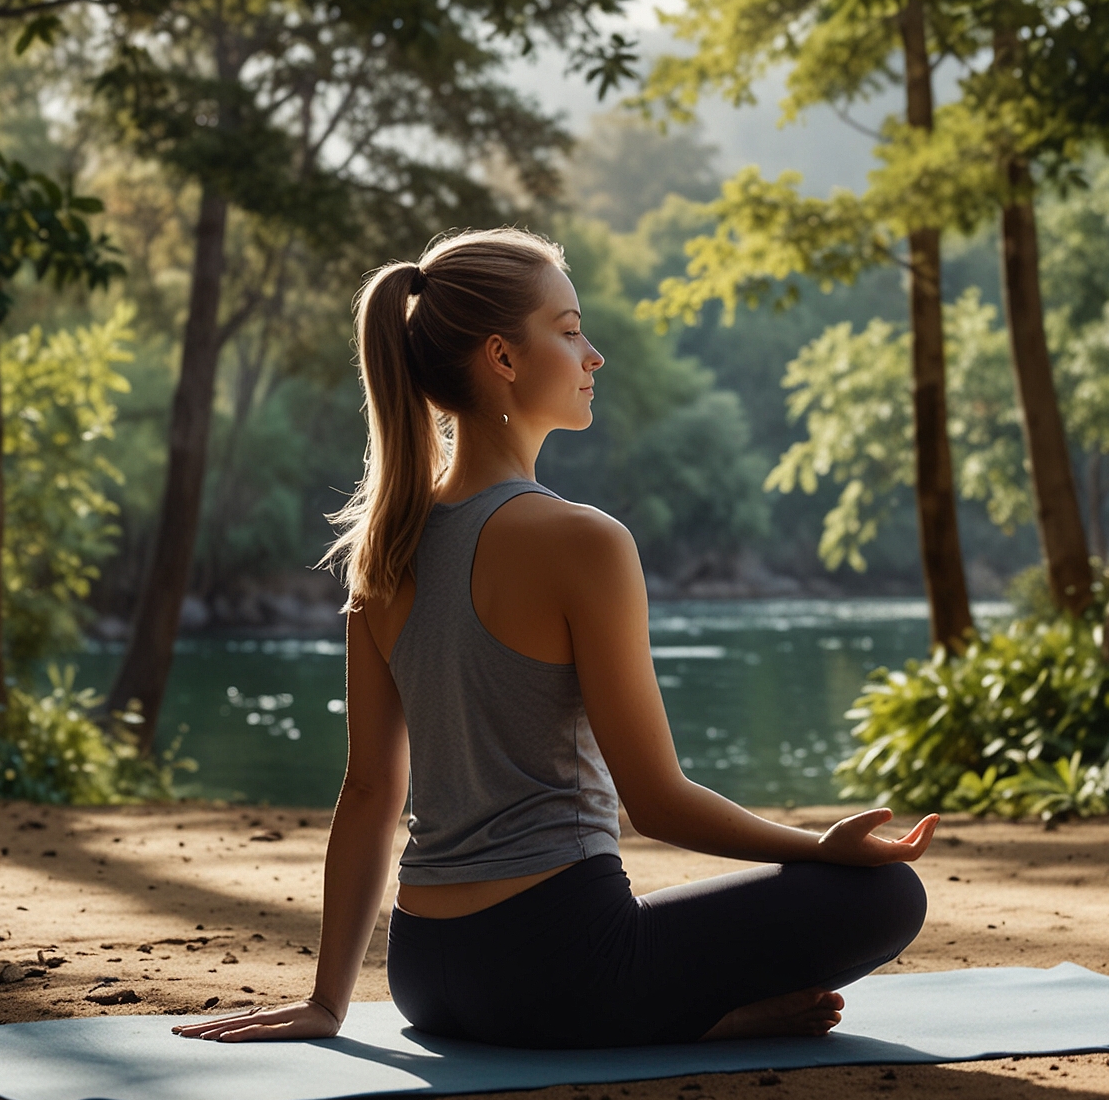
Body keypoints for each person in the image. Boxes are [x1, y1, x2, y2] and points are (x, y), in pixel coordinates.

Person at [183, 228, 935, 1049]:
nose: (594, 355)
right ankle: (698, 1019)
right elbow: (657, 803)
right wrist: (820, 848)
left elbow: (368, 792)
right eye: (570, 329)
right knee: (887, 898)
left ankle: (684, 1009)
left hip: (427, 974)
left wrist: (329, 1003)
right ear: (503, 358)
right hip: (559, 969)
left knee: (652, 929)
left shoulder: (386, 546)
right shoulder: (585, 541)